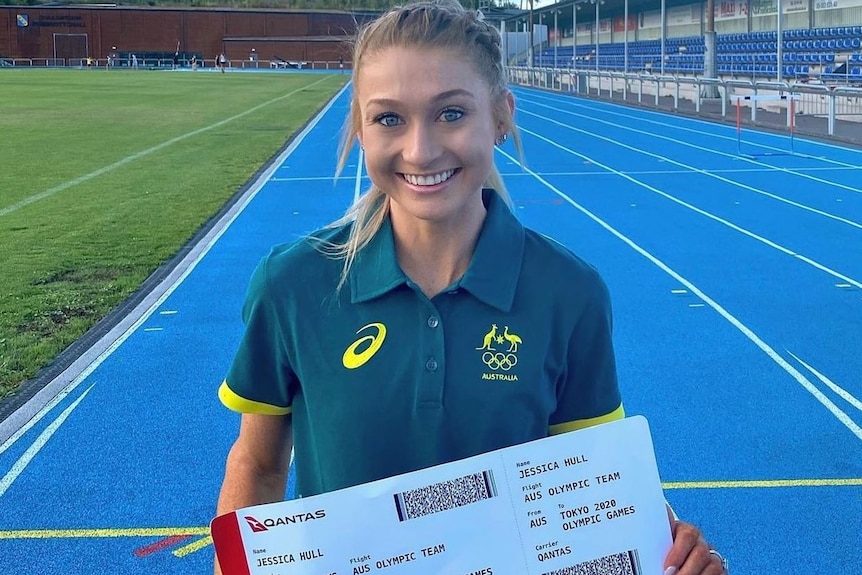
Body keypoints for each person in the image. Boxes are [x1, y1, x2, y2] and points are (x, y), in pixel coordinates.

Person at [213, 2, 728, 575]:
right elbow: (259, 466)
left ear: (502, 117)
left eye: (451, 113)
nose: (420, 151)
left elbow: (597, 489)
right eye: (389, 119)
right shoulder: (293, 284)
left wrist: (669, 553)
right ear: (358, 126)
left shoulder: (569, 293)